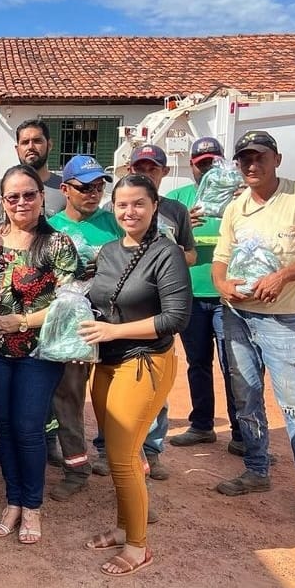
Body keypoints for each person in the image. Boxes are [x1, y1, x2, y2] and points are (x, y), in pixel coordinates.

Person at [211, 130, 295, 532]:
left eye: (259, 157)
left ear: (277, 159)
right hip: (236, 315)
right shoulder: (236, 207)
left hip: (279, 319)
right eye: (244, 159)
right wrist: (222, 285)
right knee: (246, 399)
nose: (251, 165)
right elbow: (221, 259)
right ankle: (256, 469)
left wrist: (284, 275)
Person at [79, 174, 191, 576]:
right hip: (106, 362)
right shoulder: (108, 251)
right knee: (116, 453)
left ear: (154, 205)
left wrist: (115, 331)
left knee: (123, 456)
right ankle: (125, 527)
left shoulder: (167, 254)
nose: (130, 212)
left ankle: (138, 546)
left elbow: (176, 317)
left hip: (144, 361)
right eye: (122, 204)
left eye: (139, 204)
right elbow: (96, 300)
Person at [0, 165, 79, 544]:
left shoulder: (58, 244)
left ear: (42, 197)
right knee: (3, 428)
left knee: (28, 428)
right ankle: (13, 500)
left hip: (39, 351)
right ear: (3, 202)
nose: (21, 202)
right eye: (12, 196)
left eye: (28, 194)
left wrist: (20, 321)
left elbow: (67, 304)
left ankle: (33, 505)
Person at [42, 155, 123, 500]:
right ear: (65, 189)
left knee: (117, 402)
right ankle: (77, 469)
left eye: (99, 185)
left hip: (117, 323)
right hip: (72, 327)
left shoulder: (116, 221)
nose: (93, 193)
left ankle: (125, 467)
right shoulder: (49, 227)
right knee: (68, 396)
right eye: (84, 187)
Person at [120, 143, 197, 481]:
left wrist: (168, 259)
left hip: (156, 319)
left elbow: (191, 254)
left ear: (164, 173)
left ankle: (151, 450)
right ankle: (118, 449)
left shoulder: (176, 211)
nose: (145, 172)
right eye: (140, 166)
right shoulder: (121, 213)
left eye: (152, 168)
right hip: (120, 315)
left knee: (154, 393)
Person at [165, 137, 245, 455]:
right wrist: (183, 224)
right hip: (191, 295)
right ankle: (202, 426)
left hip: (229, 295)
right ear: (192, 166)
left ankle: (241, 432)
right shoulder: (177, 200)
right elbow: (159, 240)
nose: (208, 168)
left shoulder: (241, 197)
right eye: (202, 164)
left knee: (234, 365)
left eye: (214, 162)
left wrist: (245, 203)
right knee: (198, 363)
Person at [0, 118, 66, 239]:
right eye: (25, 142)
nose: (31, 147)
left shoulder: (65, 189)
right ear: (17, 149)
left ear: (49, 145)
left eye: (37, 141)